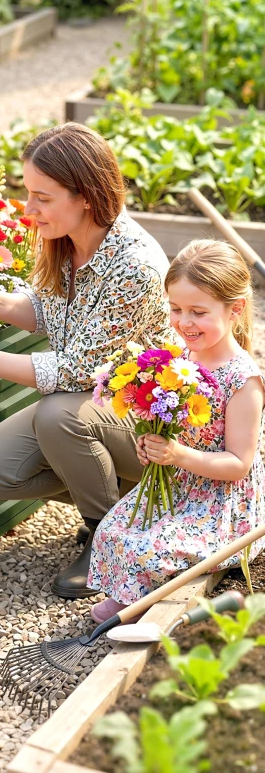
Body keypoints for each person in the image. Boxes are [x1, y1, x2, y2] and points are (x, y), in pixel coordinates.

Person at [0, 122, 175, 599]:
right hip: (95, 403)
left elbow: (74, 369)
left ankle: (107, 539)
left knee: (58, 415)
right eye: (27, 193)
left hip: (152, 422)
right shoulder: (70, 241)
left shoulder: (135, 266)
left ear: (87, 196)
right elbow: (47, 309)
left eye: (43, 197)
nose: (29, 210)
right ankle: (132, 505)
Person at [88, 240, 265, 622]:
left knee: (148, 548)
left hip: (220, 503)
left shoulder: (243, 380)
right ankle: (134, 591)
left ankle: (142, 600)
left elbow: (238, 464)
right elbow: (171, 423)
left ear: (235, 310)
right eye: (176, 308)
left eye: (198, 312)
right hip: (179, 485)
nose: (184, 322)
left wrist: (178, 455)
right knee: (111, 530)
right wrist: (149, 442)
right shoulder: (182, 359)